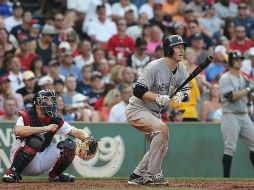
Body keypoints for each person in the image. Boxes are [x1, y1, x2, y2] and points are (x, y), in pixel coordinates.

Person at [126, 35, 190, 185]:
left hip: (154, 112)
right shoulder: (154, 66)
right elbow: (138, 90)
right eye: (177, 47)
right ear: (168, 49)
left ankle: (137, 175)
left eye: (182, 47)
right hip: (138, 109)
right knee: (162, 130)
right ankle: (153, 174)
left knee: (161, 144)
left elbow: (187, 91)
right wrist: (157, 98)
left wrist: (183, 96)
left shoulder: (182, 69)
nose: (182, 50)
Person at [2, 89, 97, 183]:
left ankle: (55, 175)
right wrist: (44, 128)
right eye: (46, 99)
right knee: (36, 139)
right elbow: (17, 131)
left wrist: (87, 138)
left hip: (43, 157)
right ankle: (11, 173)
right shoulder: (27, 115)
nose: (51, 102)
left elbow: (74, 131)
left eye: (52, 100)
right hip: (20, 160)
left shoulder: (55, 119)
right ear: (37, 104)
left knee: (70, 145)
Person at [218, 50, 254, 178]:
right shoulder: (225, 78)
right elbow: (232, 97)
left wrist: (251, 92)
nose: (239, 61)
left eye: (240, 59)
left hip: (244, 115)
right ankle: (226, 179)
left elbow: (249, 98)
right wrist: (249, 88)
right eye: (236, 59)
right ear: (231, 62)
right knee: (230, 148)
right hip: (230, 115)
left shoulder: (243, 78)